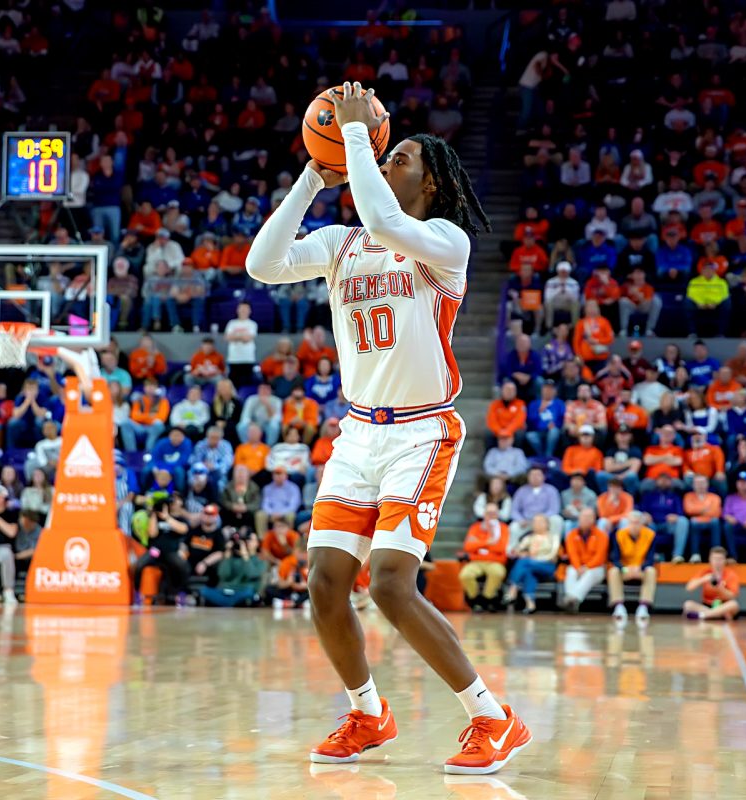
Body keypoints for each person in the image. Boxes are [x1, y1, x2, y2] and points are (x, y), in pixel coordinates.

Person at [245, 82, 530, 773]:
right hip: (358, 435)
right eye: (383, 150)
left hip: (422, 433)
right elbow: (262, 265)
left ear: (428, 178)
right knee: (322, 583)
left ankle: (493, 718)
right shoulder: (342, 243)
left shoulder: (441, 243)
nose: (381, 154)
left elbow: (381, 212)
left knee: (393, 584)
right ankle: (368, 712)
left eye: (397, 154)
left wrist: (348, 134)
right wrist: (315, 175)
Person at [607, 511, 658, 623]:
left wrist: (640, 568)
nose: (634, 526)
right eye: (632, 523)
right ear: (627, 524)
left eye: (637, 523)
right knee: (613, 571)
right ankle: (618, 606)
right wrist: (625, 568)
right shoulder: (619, 535)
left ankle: (644, 606)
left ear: (642, 524)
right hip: (625, 570)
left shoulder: (650, 535)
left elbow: (650, 559)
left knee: (651, 571)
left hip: (641, 569)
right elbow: (615, 558)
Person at [505, 513, 561, 614]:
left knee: (524, 562)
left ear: (547, 524)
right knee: (528, 572)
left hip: (547, 566)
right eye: (535, 522)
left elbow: (552, 555)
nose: (537, 524)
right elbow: (518, 550)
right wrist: (522, 553)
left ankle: (513, 588)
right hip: (530, 566)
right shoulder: (529, 537)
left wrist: (532, 558)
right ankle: (530, 603)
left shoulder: (553, 537)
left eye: (540, 522)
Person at [459, 502, 510, 611]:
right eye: (488, 513)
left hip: (495, 562)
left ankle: (487, 598)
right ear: (484, 514)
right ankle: (474, 600)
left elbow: (501, 548)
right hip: (476, 562)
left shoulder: (503, 528)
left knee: (497, 573)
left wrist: (478, 543)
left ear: (498, 514)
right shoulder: (475, 527)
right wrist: (488, 542)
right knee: (465, 575)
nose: (491, 515)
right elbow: (468, 547)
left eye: (494, 513)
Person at [199, 531, 267, 607]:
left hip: (243, 591)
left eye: (250, 539)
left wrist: (245, 555)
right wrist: (227, 555)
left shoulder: (260, 560)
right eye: (246, 539)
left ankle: (228, 604)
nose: (247, 542)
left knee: (248, 593)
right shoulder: (232, 557)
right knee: (204, 591)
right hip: (226, 591)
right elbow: (223, 575)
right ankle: (230, 603)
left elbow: (251, 574)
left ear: (257, 543)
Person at [559, 508, 609, 612]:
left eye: (589, 517)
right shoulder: (571, 535)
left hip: (596, 568)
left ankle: (570, 599)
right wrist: (578, 567)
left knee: (590, 574)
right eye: (583, 516)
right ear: (579, 518)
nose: (586, 519)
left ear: (594, 519)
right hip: (578, 566)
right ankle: (573, 602)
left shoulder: (602, 536)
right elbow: (572, 554)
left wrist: (587, 567)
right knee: (571, 571)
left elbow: (600, 557)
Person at [682, 546, 741, 620]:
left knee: (733, 605)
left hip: (723, 604)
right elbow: (689, 587)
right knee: (688, 605)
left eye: (720, 559)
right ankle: (716, 615)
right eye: (715, 559)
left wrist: (720, 589)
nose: (717, 562)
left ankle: (703, 615)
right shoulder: (705, 572)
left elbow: (732, 596)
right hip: (708, 605)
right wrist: (703, 579)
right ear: (710, 559)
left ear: (724, 560)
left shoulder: (731, 574)